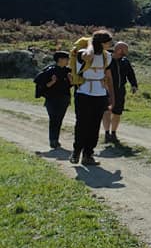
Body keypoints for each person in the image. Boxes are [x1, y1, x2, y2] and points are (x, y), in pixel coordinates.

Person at [71, 30, 115, 165]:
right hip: (83, 93)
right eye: (109, 42)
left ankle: (88, 155)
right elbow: (88, 56)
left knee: (94, 126)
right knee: (82, 124)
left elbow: (108, 76)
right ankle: (76, 151)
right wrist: (90, 42)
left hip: (100, 94)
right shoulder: (82, 53)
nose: (110, 44)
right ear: (102, 43)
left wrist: (112, 96)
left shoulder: (107, 56)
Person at [101, 41, 138, 144]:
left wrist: (134, 85)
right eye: (125, 50)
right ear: (119, 49)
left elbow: (131, 74)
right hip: (106, 90)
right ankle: (107, 133)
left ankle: (113, 133)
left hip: (120, 90)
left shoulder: (125, 61)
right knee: (107, 112)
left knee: (117, 113)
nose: (126, 53)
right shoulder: (106, 59)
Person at [37, 50, 72, 149]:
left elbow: (70, 85)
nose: (68, 60)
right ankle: (53, 140)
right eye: (66, 59)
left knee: (59, 119)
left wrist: (71, 81)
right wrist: (52, 82)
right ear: (60, 59)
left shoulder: (68, 71)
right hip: (51, 99)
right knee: (53, 119)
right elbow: (42, 85)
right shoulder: (50, 70)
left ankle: (55, 139)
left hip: (64, 98)